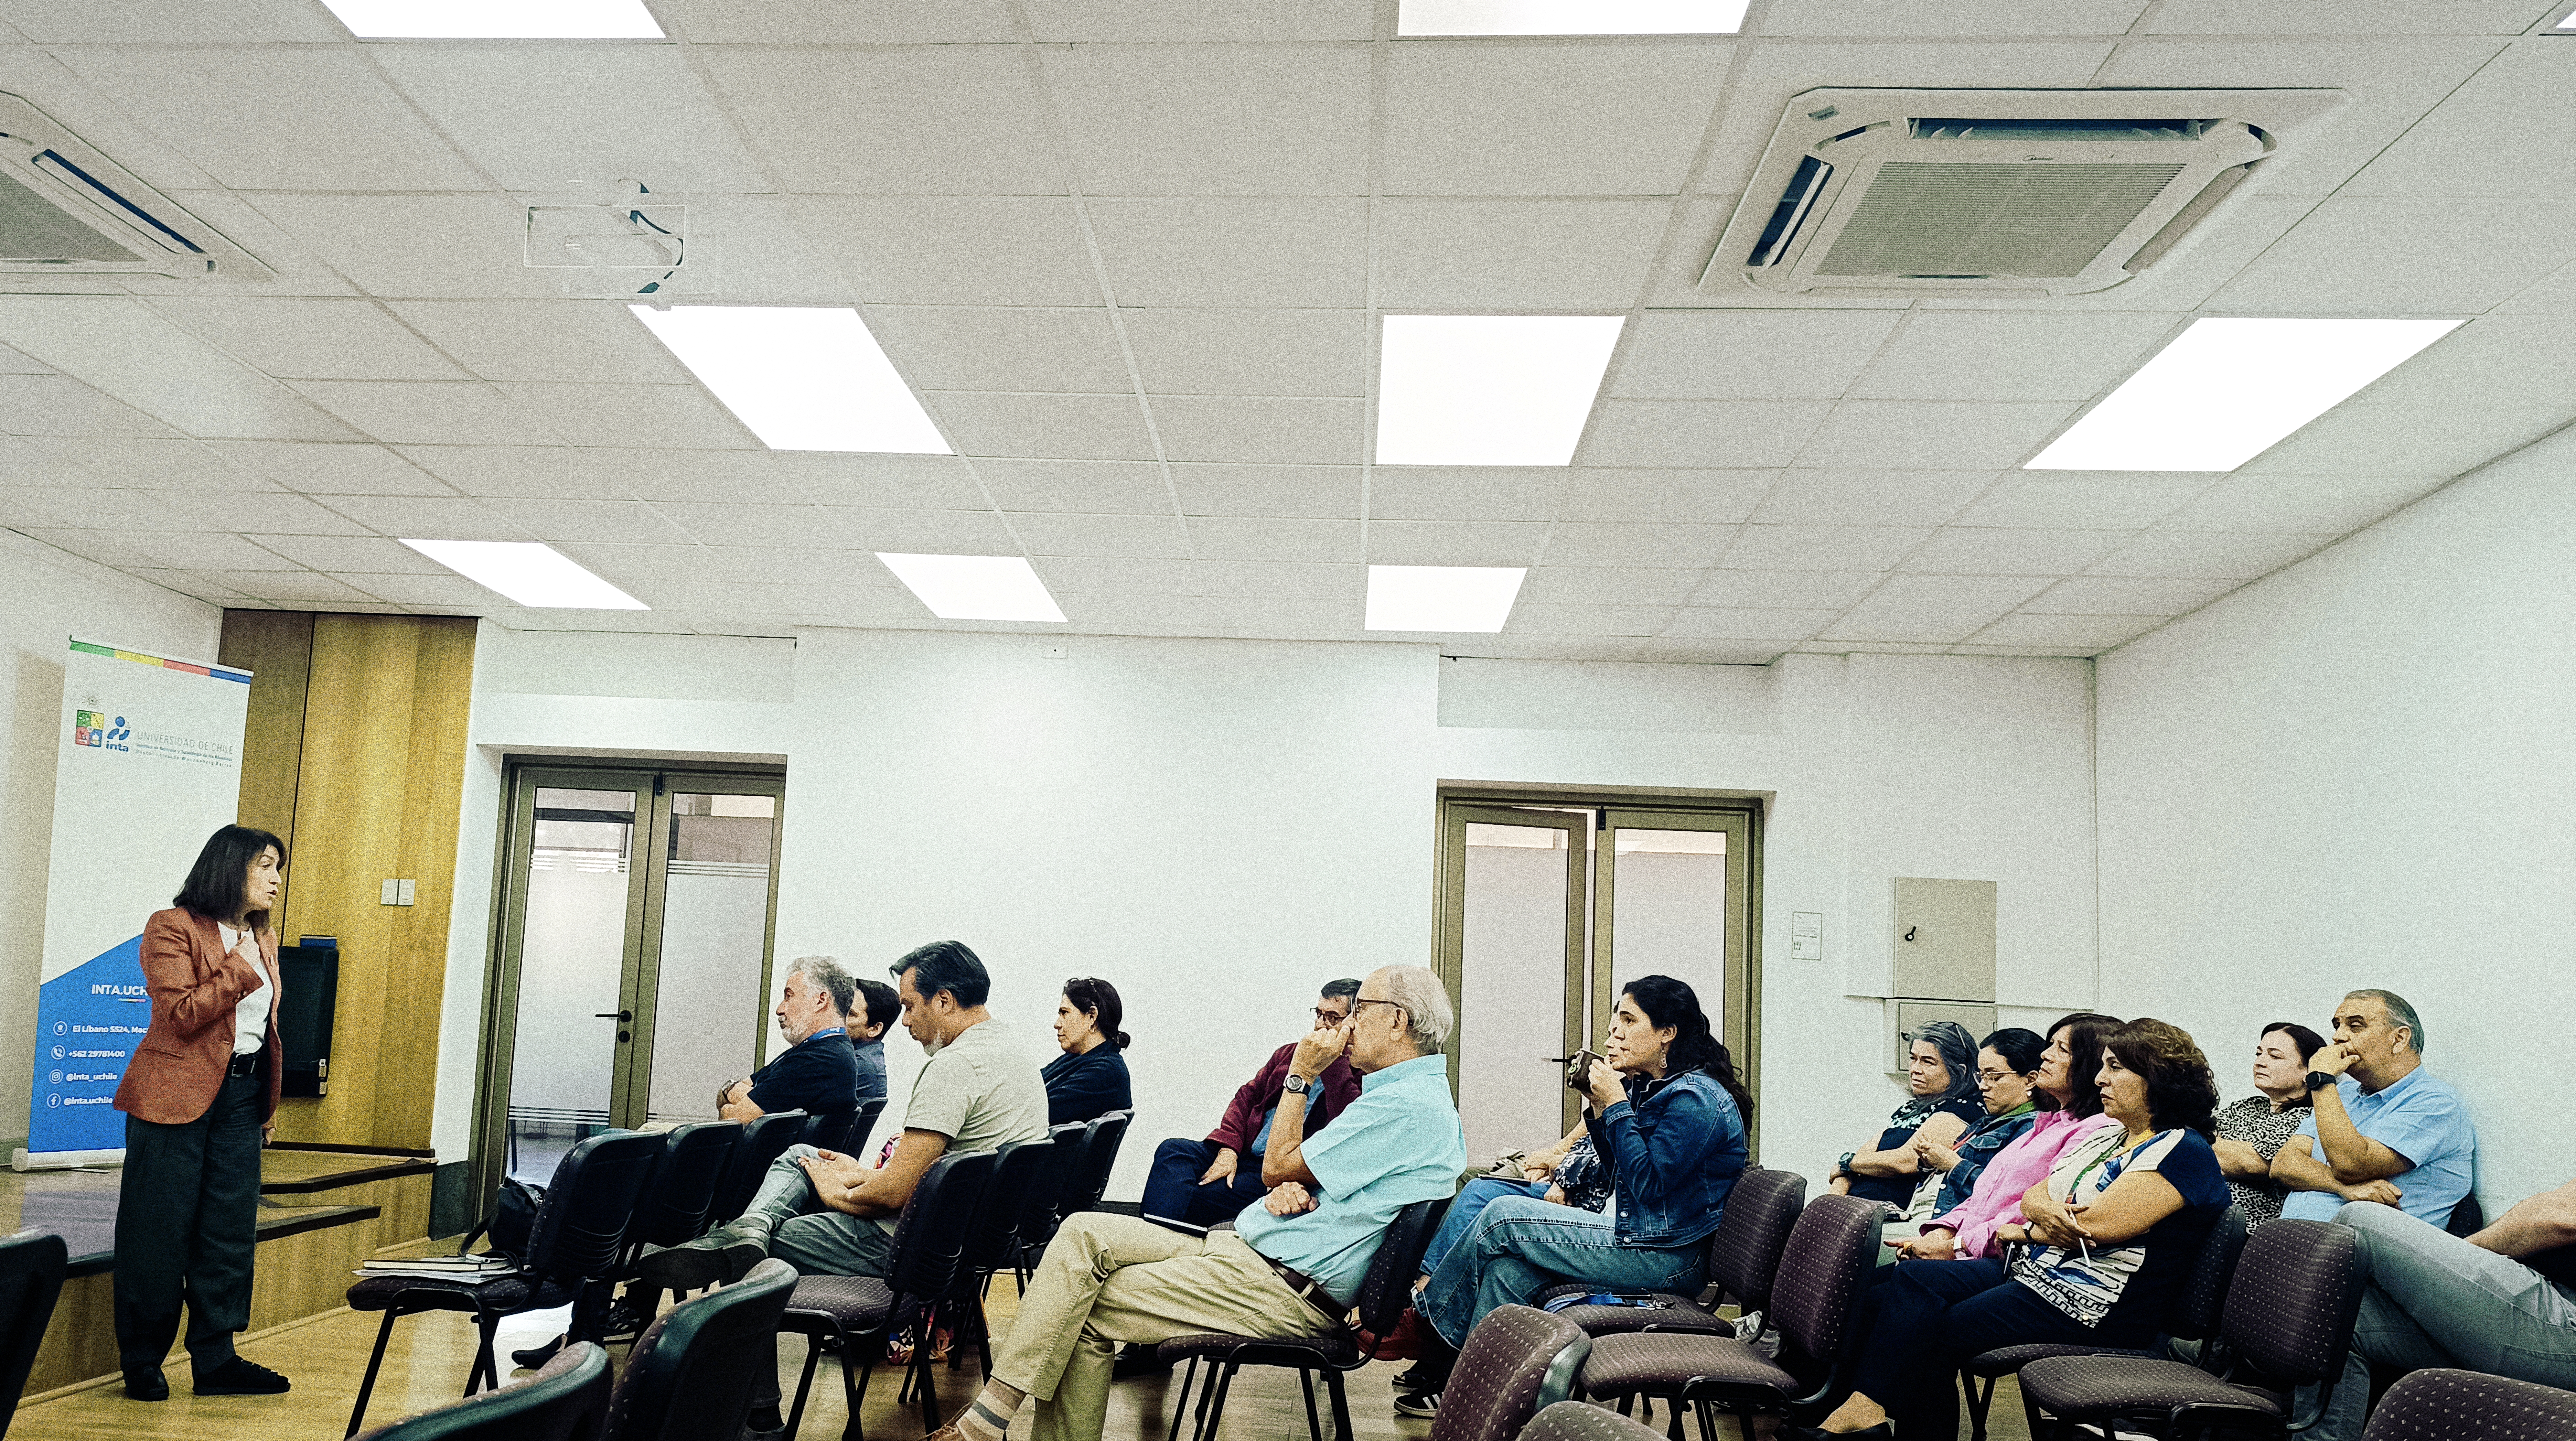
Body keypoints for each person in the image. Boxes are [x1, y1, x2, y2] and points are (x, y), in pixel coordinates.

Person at [925, 965, 1466, 1441]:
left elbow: (1280, 1162)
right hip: (1253, 1250)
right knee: (1085, 1231)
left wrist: (1302, 1075)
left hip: (1282, 1288)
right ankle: (987, 1421)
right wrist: (1298, 1185)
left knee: (1082, 1308)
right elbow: (1305, 1171)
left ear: (1397, 1021)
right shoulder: (1408, 1099)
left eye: (1360, 1011)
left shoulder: (1402, 1106)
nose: (1345, 1026)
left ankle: (983, 1423)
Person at [1794, 1019, 2229, 1440]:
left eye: (2115, 1068)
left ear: (2158, 1078)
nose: (2101, 1079)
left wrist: (2026, 1233)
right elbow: (2035, 1197)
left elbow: (2093, 1229)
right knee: (1914, 1303)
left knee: (1929, 1325)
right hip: (2047, 1279)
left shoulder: (2182, 1148)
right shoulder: (2114, 1137)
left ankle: (1860, 1416)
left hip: (2101, 1306)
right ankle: (1859, 1415)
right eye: (2102, 1065)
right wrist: (2045, 1217)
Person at [1399, 975, 1749, 1419]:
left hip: (1670, 1256)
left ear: (1667, 1033)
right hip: (1640, 1236)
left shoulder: (1696, 1100)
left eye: (1628, 1019)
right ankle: (1484, 1402)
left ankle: (1421, 1320)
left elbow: (1647, 1186)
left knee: (1502, 1215)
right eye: (1614, 1019)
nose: (1614, 1031)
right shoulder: (1656, 1086)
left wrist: (1616, 1104)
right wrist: (1603, 1108)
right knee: (1507, 1272)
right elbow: (1621, 1167)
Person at [640, 939, 1049, 1291]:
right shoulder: (1014, 1053)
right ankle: (753, 1225)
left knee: (755, 1246)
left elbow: (894, 1195)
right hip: (971, 1234)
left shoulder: (954, 1066)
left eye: (909, 1006)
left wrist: (839, 1194)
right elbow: (940, 1172)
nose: (904, 1020)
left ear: (943, 1000)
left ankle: (747, 1254)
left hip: (916, 1243)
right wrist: (861, 1173)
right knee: (805, 1154)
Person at [109, 825, 294, 1401]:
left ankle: (216, 1358)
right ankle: (143, 1359)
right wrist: (239, 967)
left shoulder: (259, 935)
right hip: (173, 1100)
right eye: (266, 865)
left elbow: (262, 1028)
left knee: (228, 1233)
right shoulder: (172, 925)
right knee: (157, 1232)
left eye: (277, 867)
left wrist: (264, 1102)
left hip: (241, 1099)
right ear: (230, 866)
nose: (275, 878)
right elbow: (183, 1013)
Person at [2309, 1178, 2576, 1441]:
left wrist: (2449, 1259)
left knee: (2359, 1218)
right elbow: (2547, 1209)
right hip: (2546, 1304)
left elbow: (2557, 1218)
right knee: (2343, 1314)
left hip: (2565, 1321)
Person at [1892, 1012, 2125, 1263]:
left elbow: (2030, 1206)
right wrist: (1943, 1231)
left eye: (2063, 1049)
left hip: (1999, 1252)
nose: (2046, 1055)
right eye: (1981, 1076)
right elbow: (1984, 1196)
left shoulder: (2086, 1128)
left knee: (1901, 1276)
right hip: (1960, 1234)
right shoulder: (2045, 1122)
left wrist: (1957, 1244)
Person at [1139, 979, 1364, 1227]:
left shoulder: (1359, 1072)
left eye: (1333, 1017)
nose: (1321, 1024)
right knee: (1173, 1150)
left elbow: (1347, 1123)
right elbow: (1246, 1097)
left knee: (1196, 1196)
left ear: (1354, 1022)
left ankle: (1156, 1236)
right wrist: (1228, 1150)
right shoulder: (1290, 1054)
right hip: (1244, 1151)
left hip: (1274, 1173)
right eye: (1319, 1014)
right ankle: (1156, 1231)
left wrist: (1332, 1060)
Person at [2274, 989, 2475, 1227]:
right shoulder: (2345, 1093)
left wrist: (2322, 1079)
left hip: (2369, 1254)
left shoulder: (2437, 1103)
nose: (2338, 1036)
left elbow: (2351, 1165)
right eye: (2337, 1026)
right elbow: (2284, 1164)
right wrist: (2343, 1188)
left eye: (2355, 1026)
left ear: (2399, 1039)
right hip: (2295, 1238)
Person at [1829, 1020, 1983, 1208]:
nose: (1915, 1069)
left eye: (1928, 1062)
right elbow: (1862, 1161)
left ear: (1960, 1071)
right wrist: (1832, 1202)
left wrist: (1846, 1163)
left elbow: (1903, 1163)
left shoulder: (1963, 1110)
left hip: (1898, 1217)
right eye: (1913, 1059)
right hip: (1859, 1208)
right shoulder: (1910, 1108)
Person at [1914, 1028, 2047, 1218]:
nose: (1983, 1086)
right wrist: (1930, 1164)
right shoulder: (1986, 1122)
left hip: (1955, 1227)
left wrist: (1953, 1163)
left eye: (1994, 1077)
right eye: (1981, 1076)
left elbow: (2005, 1195)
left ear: (2030, 1080)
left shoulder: (2032, 1127)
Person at [717, 956, 866, 1124]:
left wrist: (728, 1090)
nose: (780, 1010)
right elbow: (748, 1090)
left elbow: (734, 1120)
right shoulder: (821, 1049)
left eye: (789, 997)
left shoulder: (816, 1060)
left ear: (821, 1000)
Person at [2211, 1020, 2326, 1227]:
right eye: (2259, 1054)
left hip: (2245, 1223)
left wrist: (2197, 1142)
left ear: (2308, 1072)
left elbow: (2251, 1163)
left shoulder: (2309, 1117)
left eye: (2275, 1056)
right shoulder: (2247, 1106)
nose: (2260, 1063)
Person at [1041, 976, 1134, 1126]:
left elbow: (1036, 1111)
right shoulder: (1077, 1058)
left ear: (1092, 1016)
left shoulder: (1106, 1072)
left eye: (1065, 1013)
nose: (1057, 1024)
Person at [850, 976, 898, 1104]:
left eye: (850, 1014)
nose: (838, 1017)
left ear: (874, 1029)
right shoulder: (870, 1057)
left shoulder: (857, 1065)